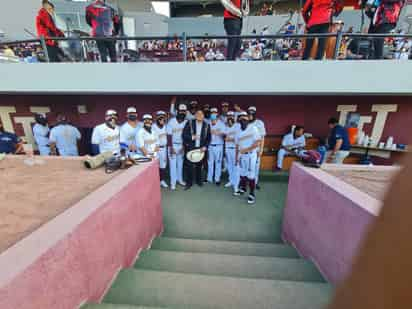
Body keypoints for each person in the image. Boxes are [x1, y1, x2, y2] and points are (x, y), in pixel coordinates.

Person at [234, 112, 262, 205]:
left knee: (251, 175)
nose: (243, 121)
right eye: (241, 119)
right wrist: (236, 157)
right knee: (242, 173)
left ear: (248, 120)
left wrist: (247, 149)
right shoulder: (237, 131)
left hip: (251, 155)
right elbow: (237, 145)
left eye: (245, 119)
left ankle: (252, 194)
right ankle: (243, 188)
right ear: (239, 120)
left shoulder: (253, 128)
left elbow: (258, 142)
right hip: (242, 155)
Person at [182, 110, 211, 190]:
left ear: (203, 116)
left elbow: (209, 138)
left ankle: (199, 181)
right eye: (197, 114)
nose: (199, 115)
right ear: (195, 115)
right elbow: (184, 135)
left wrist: (205, 146)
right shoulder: (190, 123)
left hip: (201, 148)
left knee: (199, 166)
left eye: (201, 114)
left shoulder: (206, 125)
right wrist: (192, 137)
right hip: (191, 148)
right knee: (189, 166)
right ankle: (189, 183)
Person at [167, 104, 188, 191]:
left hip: (181, 146)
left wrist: (183, 146)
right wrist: (171, 147)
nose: (182, 112)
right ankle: (173, 183)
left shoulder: (186, 122)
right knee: (172, 165)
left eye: (184, 111)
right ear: (177, 111)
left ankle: (180, 180)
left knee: (180, 164)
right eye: (180, 111)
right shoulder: (171, 121)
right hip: (173, 145)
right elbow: (169, 135)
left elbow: (186, 135)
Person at [248, 106, 266, 190]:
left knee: (255, 167)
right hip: (247, 148)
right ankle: (247, 182)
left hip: (256, 149)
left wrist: (261, 149)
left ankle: (255, 182)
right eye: (249, 113)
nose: (250, 115)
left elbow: (262, 137)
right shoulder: (245, 122)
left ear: (255, 114)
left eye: (252, 113)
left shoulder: (260, 123)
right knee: (246, 167)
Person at [207, 108, 225, 185]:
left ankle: (217, 179)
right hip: (210, 146)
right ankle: (209, 178)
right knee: (210, 162)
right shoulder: (208, 123)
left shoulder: (221, 124)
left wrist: (218, 132)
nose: (213, 119)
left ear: (217, 116)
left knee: (218, 163)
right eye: (212, 113)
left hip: (219, 146)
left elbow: (225, 135)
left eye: (215, 113)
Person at [224, 111, 240, 190]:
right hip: (228, 149)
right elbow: (225, 138)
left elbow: (239, 138)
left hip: (235, 149)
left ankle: (236, 183)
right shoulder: (225, 126)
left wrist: (230, 139)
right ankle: (231, 180)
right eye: (228, 116)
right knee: (229, 166)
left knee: (236, 166)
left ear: (234, 117)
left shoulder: (238, 125)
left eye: (231, 116)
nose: (230, 117)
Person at [153, 111, 168, 188]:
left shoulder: (166, 126)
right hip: (155, 149)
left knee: (163, 166)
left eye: (163, 117)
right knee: (154, 165)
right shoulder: (153, 127)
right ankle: (155, 181)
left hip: (163, 148)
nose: (162, 119)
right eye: (160, 117)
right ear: (157, 118)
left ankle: (162, 180)